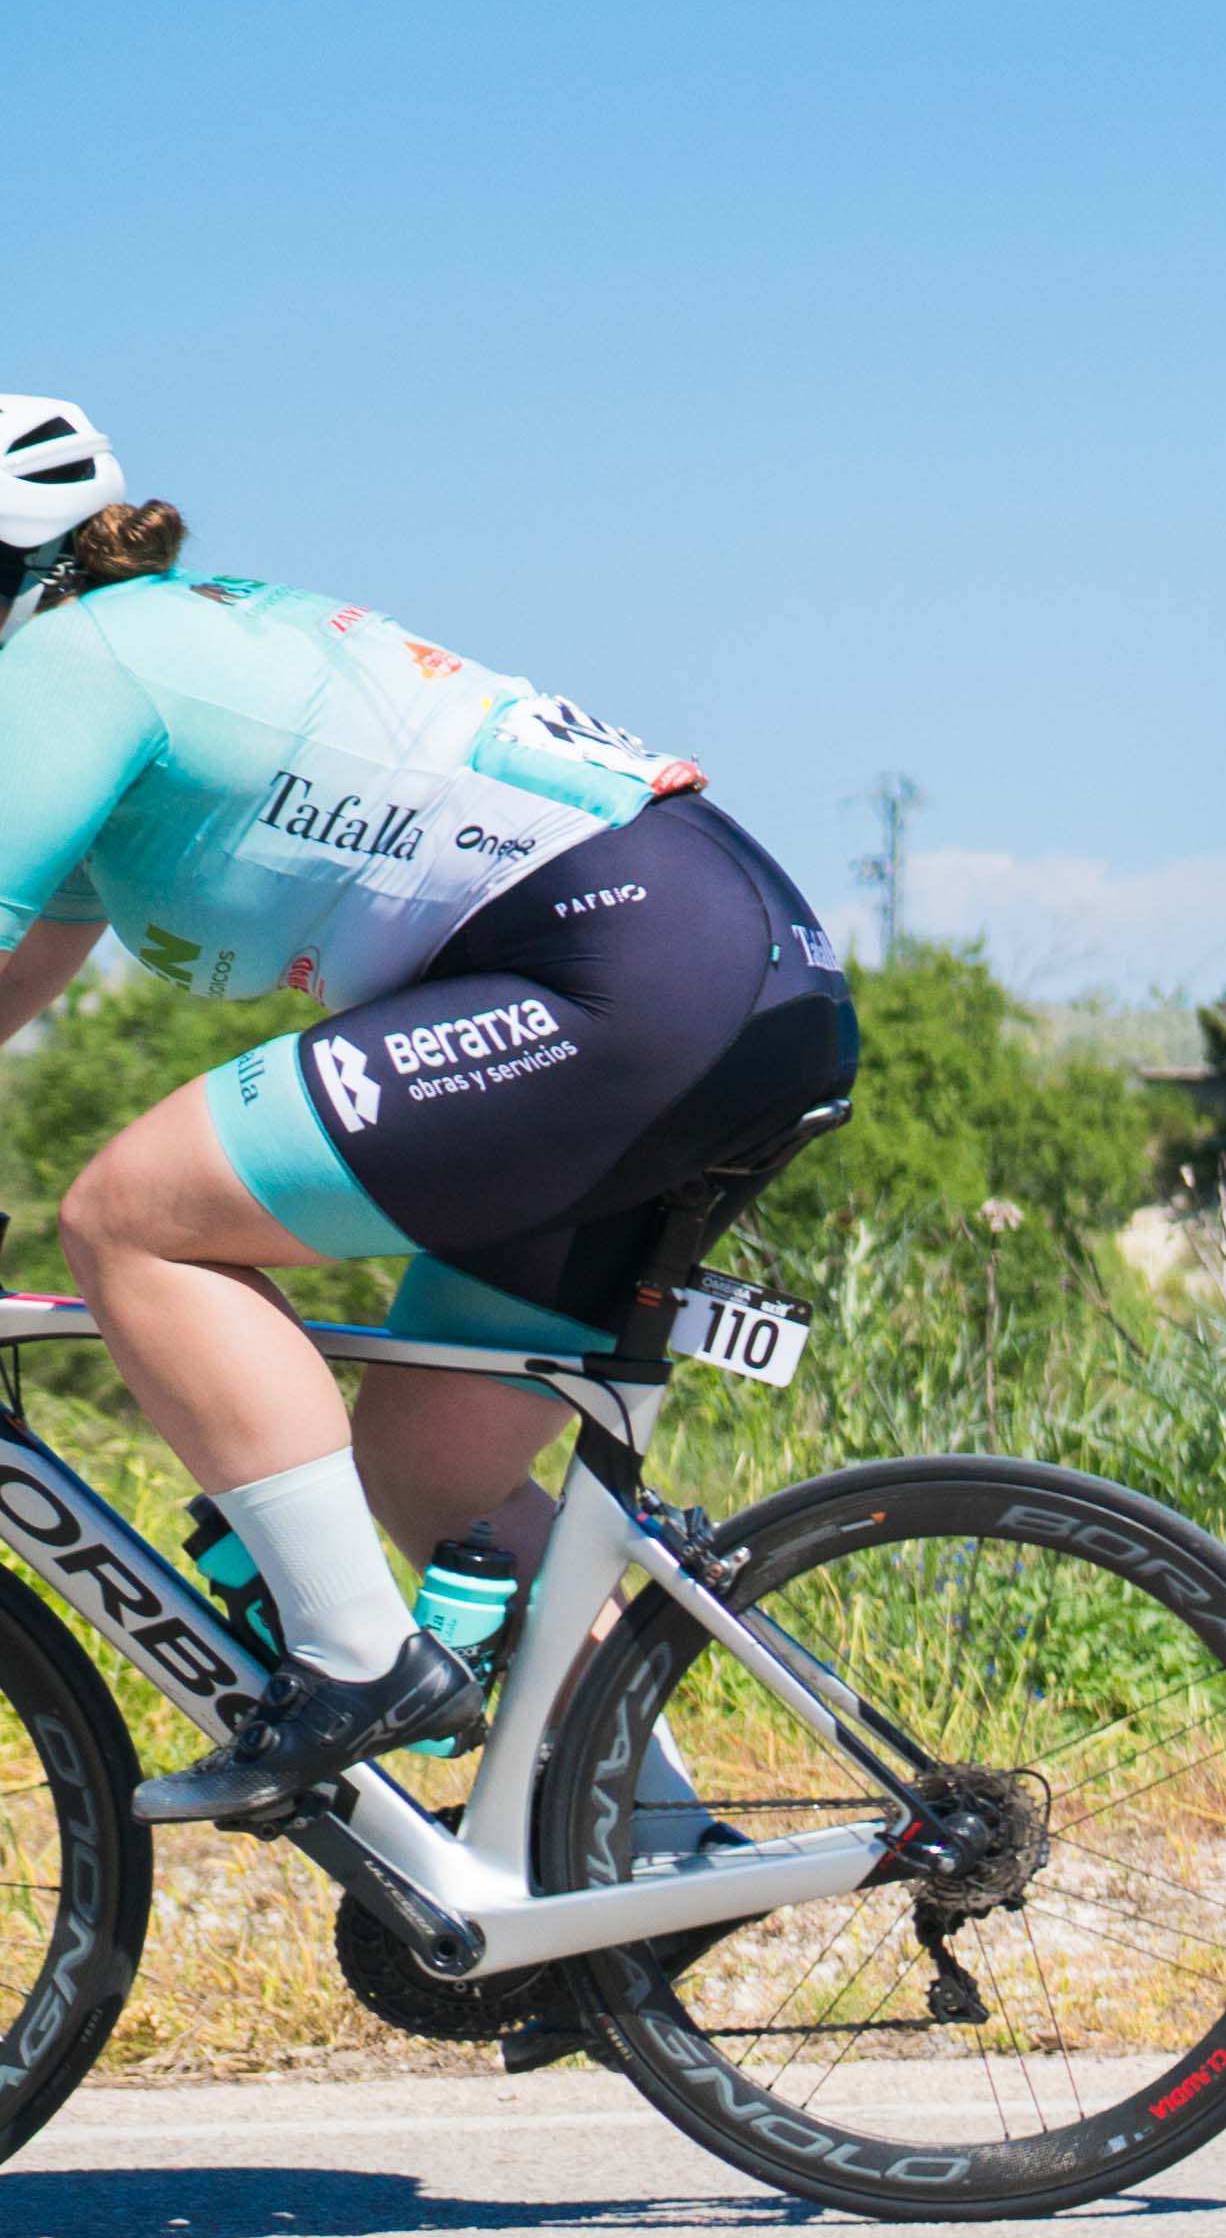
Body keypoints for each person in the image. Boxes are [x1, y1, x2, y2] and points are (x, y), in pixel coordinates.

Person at [0, 403, 859, 1827]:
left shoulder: (68, 662)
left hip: (630, 968)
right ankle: (642, 1852)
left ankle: (356, 1664)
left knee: (132, 1221)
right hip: (724, 968)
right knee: (433, 1466)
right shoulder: (156, 650)